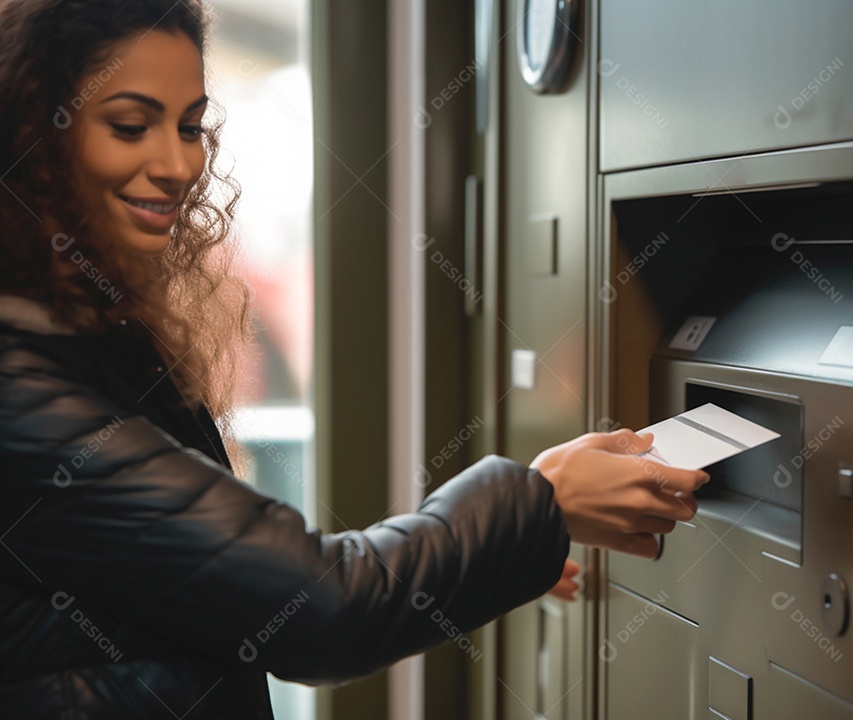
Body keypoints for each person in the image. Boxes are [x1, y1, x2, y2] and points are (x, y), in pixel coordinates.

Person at [0, 1, 708, 717]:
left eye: (190, 127)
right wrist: (540, 503)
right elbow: (320, 610)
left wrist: (493, 554)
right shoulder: (18, 395)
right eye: (130, 125)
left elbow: (224, 575)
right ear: (27, 133)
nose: (180, 164)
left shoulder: (83, 336)